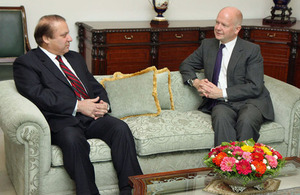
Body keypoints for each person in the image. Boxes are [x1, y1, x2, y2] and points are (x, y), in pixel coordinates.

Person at [13, 15, 143, 195]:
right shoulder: (26, 63)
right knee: (73, 142)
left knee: (120, 128)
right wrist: (78, 106)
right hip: (62, 121)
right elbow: (39, 96)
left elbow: (94, 85)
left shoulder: (74, 58)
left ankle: (132, 190)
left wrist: (103, 104)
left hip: (92, 116)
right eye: (63, 35)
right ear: (46, 39)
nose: (70, 39)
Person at [180, 7, 274, 146]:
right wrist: (196, 82)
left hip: (250, 101)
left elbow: (255, 87)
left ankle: (244, 165)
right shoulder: (207, 45)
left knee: (246, 120)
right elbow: (185, 65)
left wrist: (220, 92)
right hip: (222, 103)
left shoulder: (251, 50)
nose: (218, 28)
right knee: (220, 117)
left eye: (224, 25)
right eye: (217, 22)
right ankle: (225, 165)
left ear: (237, 29)